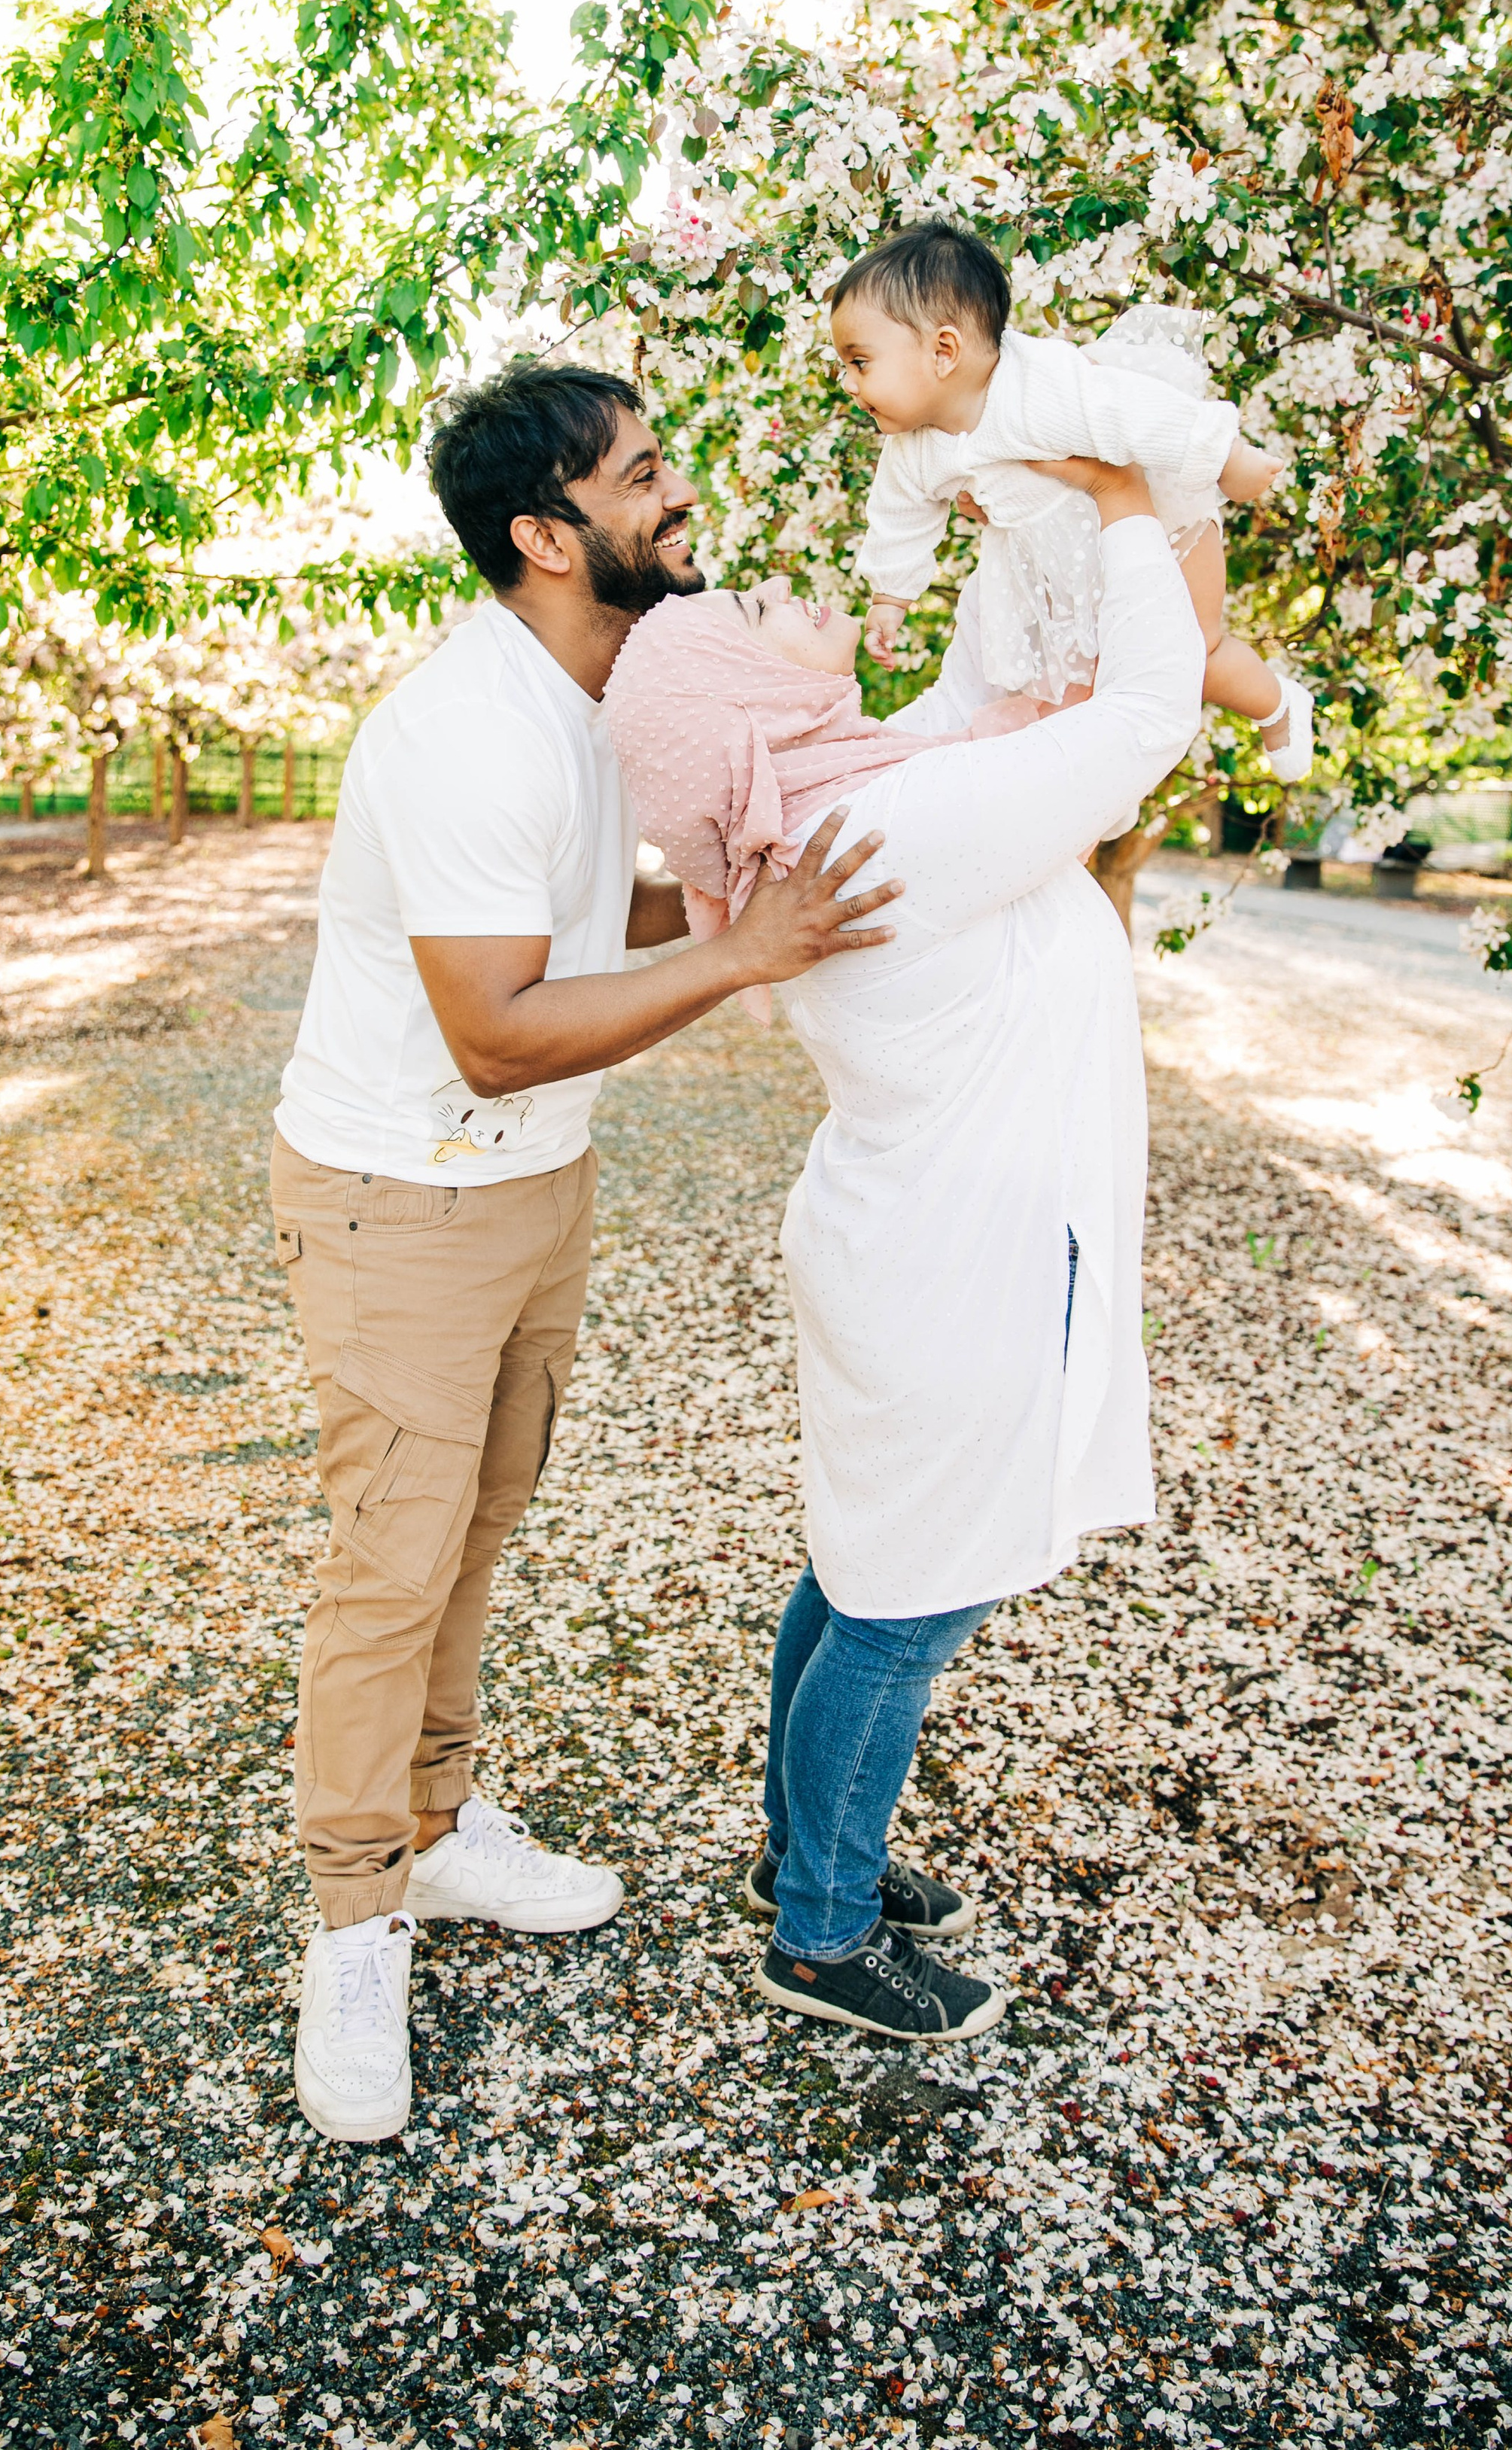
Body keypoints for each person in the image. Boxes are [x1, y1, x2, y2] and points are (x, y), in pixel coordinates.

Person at [272, 362, 904, 2140]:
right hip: (403, 1197)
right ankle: (351, 1927)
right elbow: (496, 1022)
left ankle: (442, 1821)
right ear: (546, 537)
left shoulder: (601, 689)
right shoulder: (463, 725)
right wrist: (741, 953)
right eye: (639, 480)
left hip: (530, 1188)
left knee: (476, 1522)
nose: (670, 496)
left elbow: (569, 912)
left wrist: (715, 901)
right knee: (387, 1568)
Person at [602, 449, 1203, 2040]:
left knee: (862, 1568)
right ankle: (820, 1928)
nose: (787, 580)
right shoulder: (896, 823)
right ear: (747, 705)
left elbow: (971, 705)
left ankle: (803, 1850)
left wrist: (1009, 507)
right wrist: (1134, 508)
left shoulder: (832, 809)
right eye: (756, 607)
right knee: (903, 1606)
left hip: (921, 1239)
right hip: (956, 1259)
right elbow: (1141, 721)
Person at [835, 219, 1313, 777]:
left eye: (859, 362)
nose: (847, 382)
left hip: (1160, 531)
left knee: (1195, 655)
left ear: (944, 351)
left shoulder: (1042, 386)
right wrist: (890, 598)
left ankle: (1277, 706)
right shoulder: (912, 446)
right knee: (1085, 692)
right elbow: (899, 516)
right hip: (1055, 576)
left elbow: (1135, 410)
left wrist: (1227, 459)